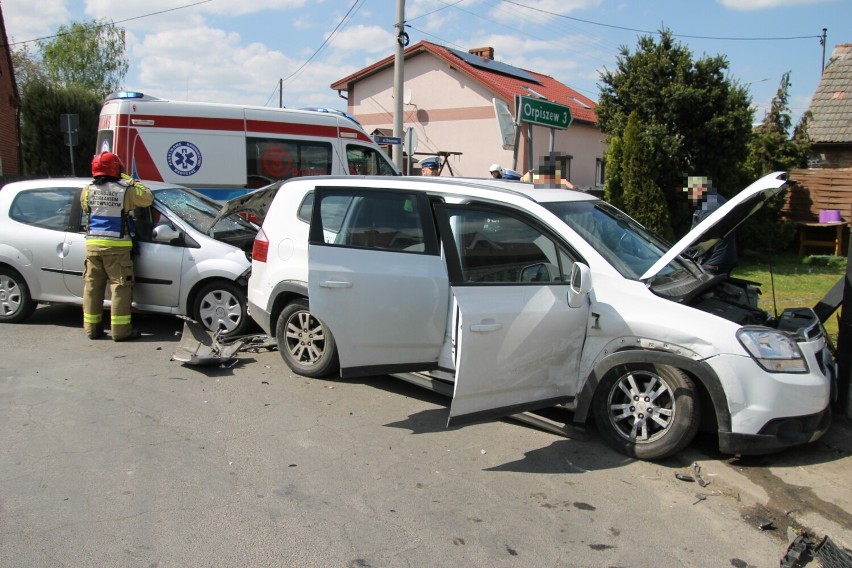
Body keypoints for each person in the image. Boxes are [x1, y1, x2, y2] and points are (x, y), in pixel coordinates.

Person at [81, 152, 154, 341]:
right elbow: (147, 198)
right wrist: (131, 180)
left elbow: (85, 208)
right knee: (120, 287)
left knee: (92, 288)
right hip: (117, 248)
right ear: (117, 169)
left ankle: (92, 329)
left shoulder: (87, 190)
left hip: (93, 247)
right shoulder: (125, 190)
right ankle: (121, 331)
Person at [685, 175, 736, 275]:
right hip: (723, 257)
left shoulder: (709, 205)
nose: (689, 194)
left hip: (712, 261)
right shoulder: (716, 200)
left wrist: (686, 255)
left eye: (690, 191)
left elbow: (701, 236)